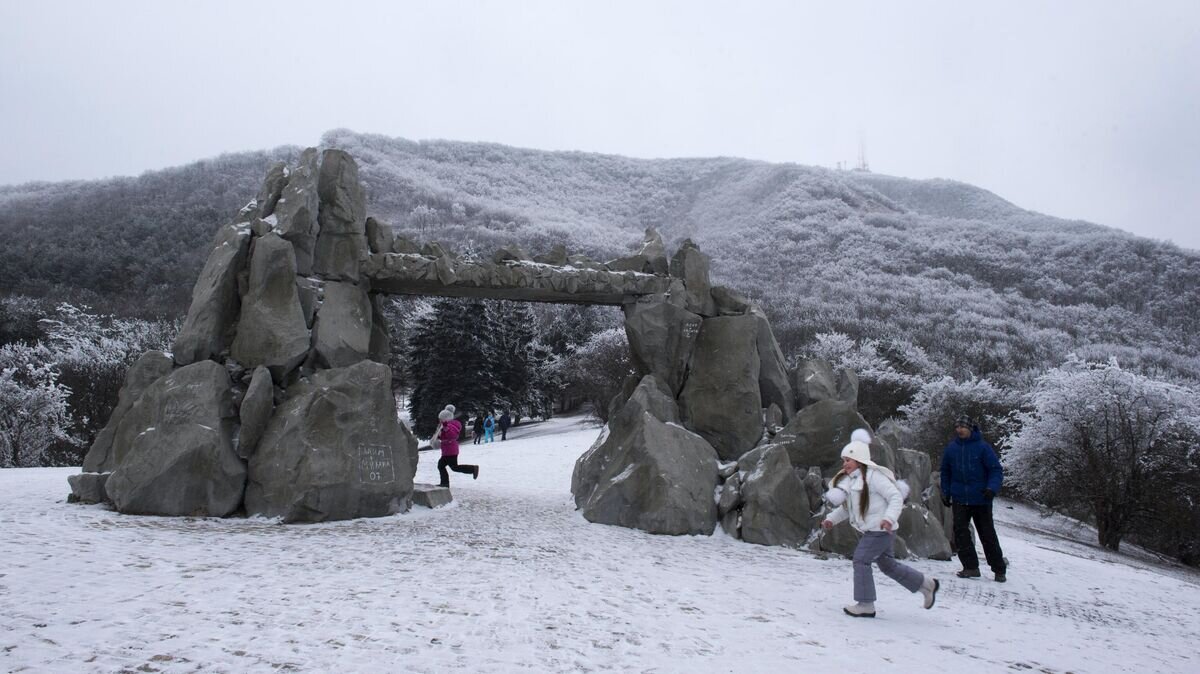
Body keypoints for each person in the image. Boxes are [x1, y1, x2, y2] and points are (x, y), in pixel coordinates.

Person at [822, 429, 939, 618]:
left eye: (848, 460)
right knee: (888, 565)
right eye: (844, 460)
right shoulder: (853, 481)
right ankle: (926, 585)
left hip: (881, 529)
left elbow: (895, 497)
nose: (845, 464)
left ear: (859, 460)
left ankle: (866, 603)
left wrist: (889, 518)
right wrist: (831, 520)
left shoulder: (875, 477)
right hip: (875, 530)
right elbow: (848, 508)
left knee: (861, 559)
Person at [940, 415, 1007, 582]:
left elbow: (995, 470)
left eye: (963, 427)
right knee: (961, 533)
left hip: (982, 498)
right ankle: (970, 567)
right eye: (957, 427)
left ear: (971, 429)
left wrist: (992, 488)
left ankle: (999, 569)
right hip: (960, 498)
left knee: (987, 534)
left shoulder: (983, 448)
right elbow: (946, 471)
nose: (960, 430)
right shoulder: (952, 448)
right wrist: (946, 491)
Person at [436, 408, 478, 487]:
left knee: (453, 467)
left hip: (451, 451)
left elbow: (453, 436)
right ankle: (445, 483)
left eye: (441, 418)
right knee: (442, 466)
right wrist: (439, 436)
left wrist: (446, 429)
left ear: (445, 418)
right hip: (447, 451)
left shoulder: (451, 425)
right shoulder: (444, 426)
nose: (439, 420)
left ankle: (473, 469)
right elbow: (443, 437)